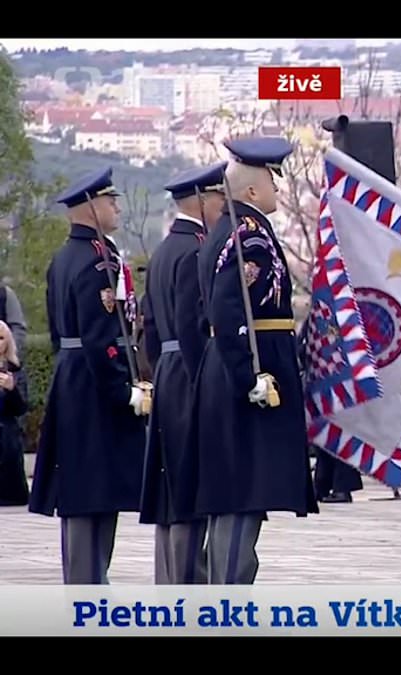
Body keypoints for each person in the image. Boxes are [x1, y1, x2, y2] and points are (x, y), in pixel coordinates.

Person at [192, 136, 318, 584]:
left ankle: (227, 594)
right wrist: (251, 377)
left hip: (237, 375)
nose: (278, 190)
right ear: (251, 192)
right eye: (272, 182)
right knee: (241, 498)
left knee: (241, 497)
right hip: (247, 380)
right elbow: (228, 314)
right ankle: (227, 604)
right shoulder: (246, 236)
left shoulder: (232, 230)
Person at [29, 166, 151, 584]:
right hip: (94, 386)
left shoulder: (66, 257)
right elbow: (103, 338)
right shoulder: (97, 264)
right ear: (90, 208)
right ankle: (87, 587)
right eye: (109, 200)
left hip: (73, 378)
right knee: (91, 490)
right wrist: (123, 390)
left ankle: (88, 581)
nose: (116, 206)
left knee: (89, 487)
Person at [139, 161, 227, 584]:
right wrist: (200, 381)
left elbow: (149, 329)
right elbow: (195, 327)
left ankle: (170, 581)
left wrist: (162, 372)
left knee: (171, 488)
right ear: (203, 200)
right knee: (190, 489)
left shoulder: (162, 252)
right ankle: (189, 588)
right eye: (218, 199)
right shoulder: (195, 250)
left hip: (167, 372)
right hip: (189, 375)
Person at [0, 321, 28, 507]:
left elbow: (22, 408)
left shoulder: (15, 369)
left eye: (1, 338)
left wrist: (11, 389)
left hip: (6, 435)